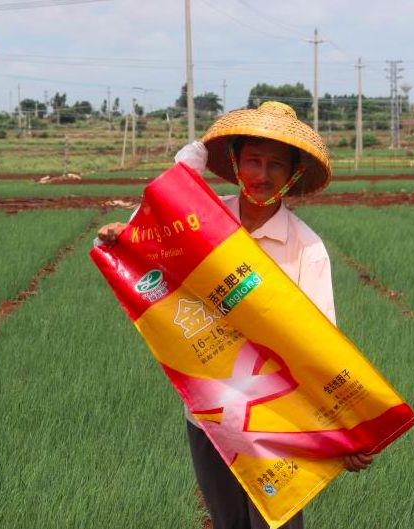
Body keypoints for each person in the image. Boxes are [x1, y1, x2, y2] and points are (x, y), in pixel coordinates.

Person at [97, 101, 373, 529]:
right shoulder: (203, 218)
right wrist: (129, 230)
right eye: (253, 161)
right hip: (210, 408)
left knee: (276, 524)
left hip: (279, 416)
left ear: (294, 173)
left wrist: (349, 429)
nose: (262, 176)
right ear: (235, 162)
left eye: (276, 165)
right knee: (226, 522)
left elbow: (324, 347)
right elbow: (149, 235)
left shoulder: (306, 248)